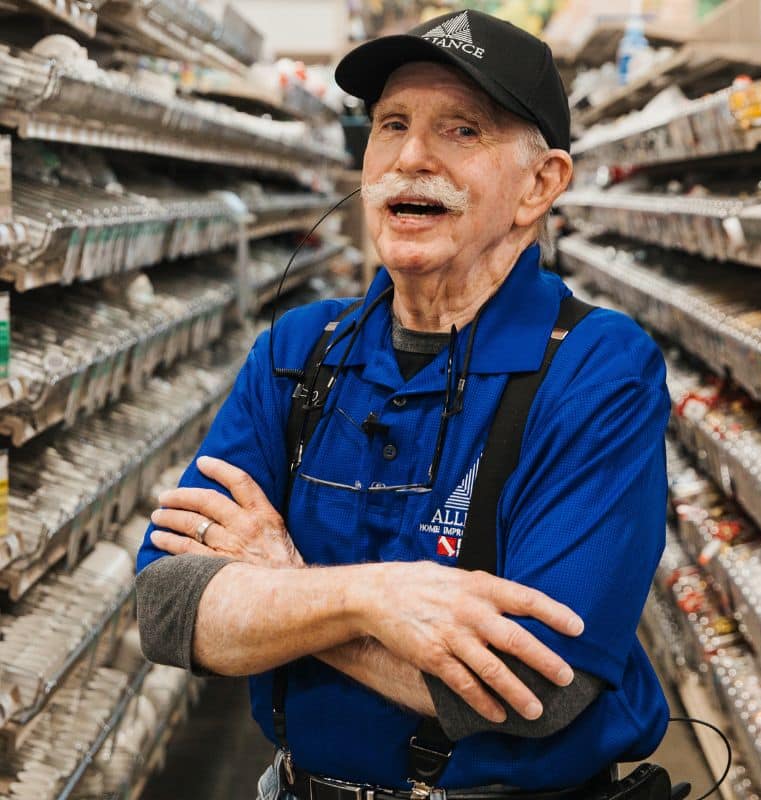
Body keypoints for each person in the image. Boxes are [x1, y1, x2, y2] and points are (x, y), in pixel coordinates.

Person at [136, 9, 671, 799]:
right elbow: (170, 606)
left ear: (540, 185)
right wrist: (373, 599)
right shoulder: (297, 349)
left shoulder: (598, 369)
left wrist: (282, 588)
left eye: (462, 130)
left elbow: (534, 689)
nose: (412, 157)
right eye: (391, 124)